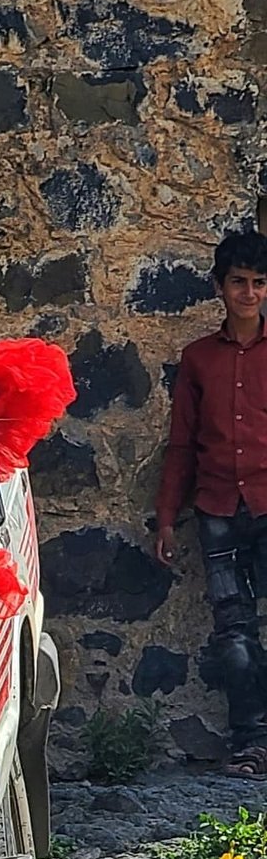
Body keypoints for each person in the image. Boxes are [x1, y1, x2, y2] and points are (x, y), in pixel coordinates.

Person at [153, 229, 267, 776]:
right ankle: (251, 742)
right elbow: (182, 442)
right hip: (218, 507)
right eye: (239, 283)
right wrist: (168, 517)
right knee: (234, 628)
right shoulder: (198, 359)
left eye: (259, 284)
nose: (249, 293)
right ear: (220, 288)